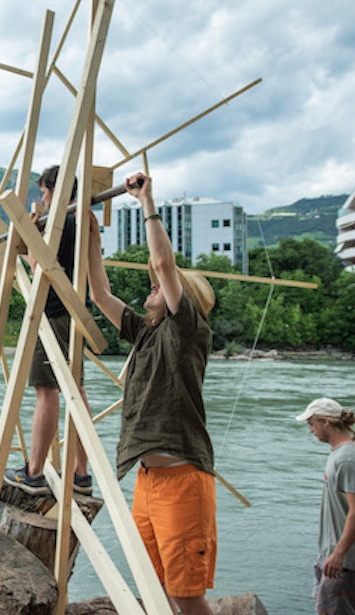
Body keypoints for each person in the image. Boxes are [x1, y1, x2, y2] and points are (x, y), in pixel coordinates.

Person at [85, 172, 218, 615]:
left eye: (159, 287)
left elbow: (164, 265)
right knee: (155, 588)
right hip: (147, 482)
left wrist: (147, 202)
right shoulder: (147, 332)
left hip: (183, 481)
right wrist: (90, 232)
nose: (153, 286)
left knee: (185, 593)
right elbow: (99, 293)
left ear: (183, 298)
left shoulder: (187, 330)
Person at [3, 164, 93, 497]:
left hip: (54, 312)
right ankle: (81, 473)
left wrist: (29, 238)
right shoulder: (81, 222)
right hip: (76, 313)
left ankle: (35, 471)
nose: (42, 197)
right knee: (76, 391)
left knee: (46, 390)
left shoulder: (62, 225)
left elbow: (41, 269)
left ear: (56, 191)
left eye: (43, 191)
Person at [296, 397, 355, 615]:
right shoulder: (340, 455)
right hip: (333, 554)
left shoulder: (347, 459)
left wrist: (339, 554)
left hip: (344, 558)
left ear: (325, 422)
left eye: (311, 424)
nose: (311, 430)